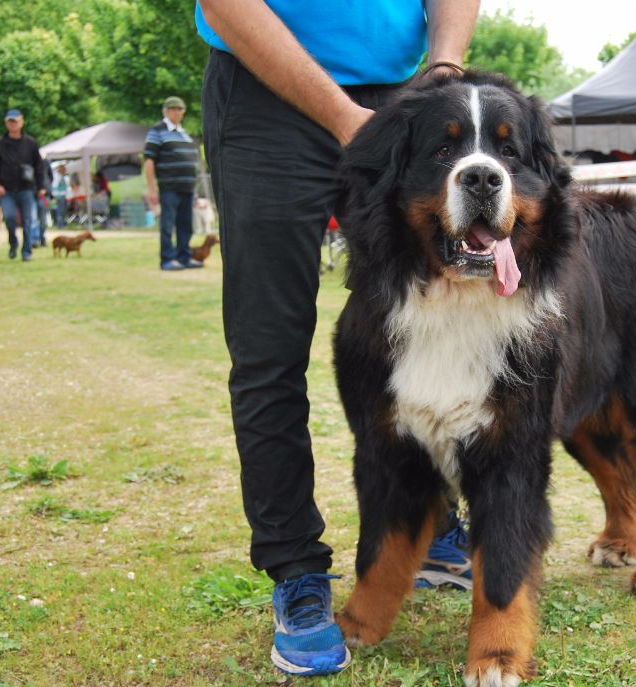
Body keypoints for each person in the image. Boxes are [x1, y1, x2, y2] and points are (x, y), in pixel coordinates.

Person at [196, 0, 479, 676]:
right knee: (270, 348)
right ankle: (296, 570)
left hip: (402, 96)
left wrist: (443, 70)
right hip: (264, 92)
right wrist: (348, 120)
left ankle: (425, 521)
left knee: (418, 331)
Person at [143, 96, 201, 270]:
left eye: (180, 109)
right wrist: (152, 189)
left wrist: (195, 191)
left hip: (188, 188)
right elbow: (149, 161)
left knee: (186, 225)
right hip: (169, 186)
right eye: (173, 109)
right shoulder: (157, 131)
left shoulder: (185, 134)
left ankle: (184, 257)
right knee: (168, 224)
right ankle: (167, 259)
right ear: (166, 111)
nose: (177, 112)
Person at [0, 108, 45, 261]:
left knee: (28, 220)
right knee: (10, 217)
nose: (13, 124)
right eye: (10, 122)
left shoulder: (30, 143)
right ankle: (13, 243)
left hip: (26, 188)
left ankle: (26, 251)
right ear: (6, 124)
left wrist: (41, 187)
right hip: (6, 189)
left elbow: (39, 166)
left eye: (15, 121)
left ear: (21, 122)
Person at [34, 158, 53, 247]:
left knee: (41, 218)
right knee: (34, 218)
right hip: (32, 193)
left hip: (43, 194)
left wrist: (45, 188)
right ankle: (35, 239)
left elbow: (50, 177)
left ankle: (40, 238)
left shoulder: (45, 162)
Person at [52, 163, 70, 227]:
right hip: (58, 196)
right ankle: (59, 223)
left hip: (64, 195)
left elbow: (67, 187)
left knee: (63, 210)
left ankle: (63, 222)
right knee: (60, 210)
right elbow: (54, 186)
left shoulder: (64, 176)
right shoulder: (56, 176)